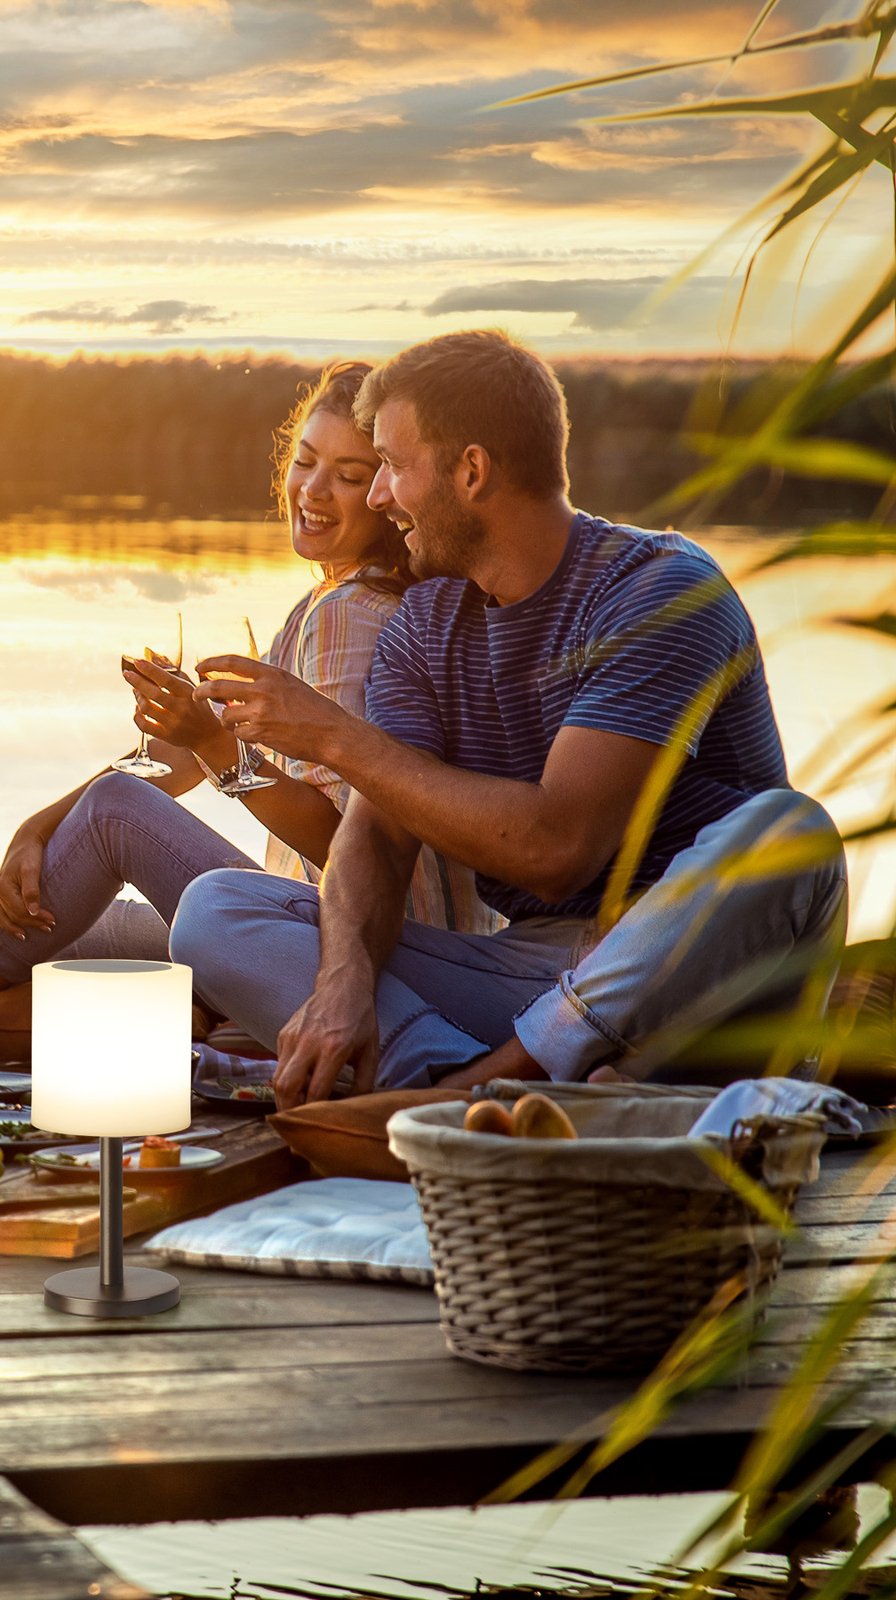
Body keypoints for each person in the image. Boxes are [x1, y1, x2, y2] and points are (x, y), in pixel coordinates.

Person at [174, 329, 848, 1108]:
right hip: (524, 976)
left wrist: (331, 735)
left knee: (788, 835)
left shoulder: (660, 592)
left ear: (471, 471)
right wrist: (342, 986)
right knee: (217, 910)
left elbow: (557, 848)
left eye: (390, 465)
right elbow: (379, 838)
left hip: (699, 987)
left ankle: (475, 1090)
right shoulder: (427, 621)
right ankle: (474, 1092)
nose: (380, 497)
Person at [0, 362, 497, 1028]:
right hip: (318, 929)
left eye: (350, 476)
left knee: (113, 815)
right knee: (91, 932)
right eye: (305, 462)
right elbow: (175, 757)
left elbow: (351, 844)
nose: (313, 490)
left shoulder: (351, 615)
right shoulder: (334, 601)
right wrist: (35, 829)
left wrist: (214, 745)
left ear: (390, 494)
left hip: (359, 957)